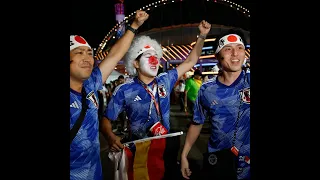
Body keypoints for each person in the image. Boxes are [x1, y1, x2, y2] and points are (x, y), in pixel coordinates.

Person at [101, 20, 211, 180]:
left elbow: (190, 62)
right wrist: (111, 137)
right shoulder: (124, 90)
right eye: (147, 56)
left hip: (167, 146)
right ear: (136, 63)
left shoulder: (165, 79)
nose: (154, 60)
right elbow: (106, 120)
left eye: (156, 56)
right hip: (140, 149)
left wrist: (201, 36)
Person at [70, 10, 149, 180]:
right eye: (78, 53)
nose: (87, 58)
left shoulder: (90, 84)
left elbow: (115, 55)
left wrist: (134, 26)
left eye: (89, 53)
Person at [180, 29, 250, 180]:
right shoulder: (206, 89)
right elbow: (197, 123)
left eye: (240, 48)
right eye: (228, 49)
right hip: (219, 161)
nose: (235, 54)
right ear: (217, 55)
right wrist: (184, 155)